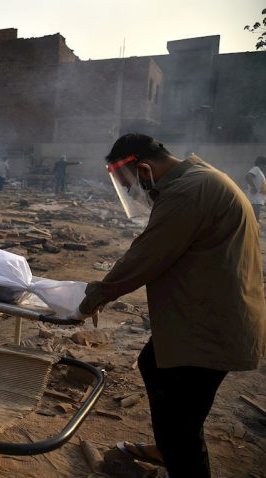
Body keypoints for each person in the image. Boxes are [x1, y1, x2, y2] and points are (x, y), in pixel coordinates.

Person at [69, 133, 266, 477]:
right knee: (153, 362)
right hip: (206, 311)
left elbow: (148, 254)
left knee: (182, 426)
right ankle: (167, 448)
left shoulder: (188, 192)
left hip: (211, 324)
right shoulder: (198, 177)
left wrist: (90, 300)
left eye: (131, 186)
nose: (135, 195)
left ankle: (178, 454)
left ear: (144, 169)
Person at [245, 156, 266, 222]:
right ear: (261, 163)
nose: (265, 167)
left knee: (255, 219)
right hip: (255, 200)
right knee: (254, 220)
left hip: (258, 200)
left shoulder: (260, 172)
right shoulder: (256, 169)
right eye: (265, 164)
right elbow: (248, 176)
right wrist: (253, 187)